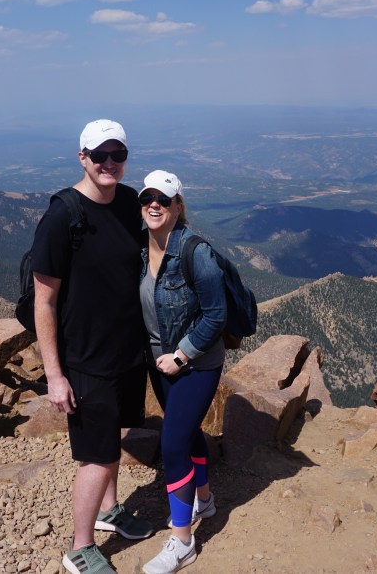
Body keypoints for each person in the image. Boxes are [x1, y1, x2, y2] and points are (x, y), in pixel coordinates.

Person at [29, 119, 152, 574]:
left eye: (117, 155)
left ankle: (109, 510)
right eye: (99, 155)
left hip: (125, 351)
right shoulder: (62, 216)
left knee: (112, 437)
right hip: (85, 358)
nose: (109, 163)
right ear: (82, 157)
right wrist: (55, 375)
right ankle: (80, 548)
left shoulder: (128, 202)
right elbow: (44, 301)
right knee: (97, 456)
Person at [138, 170, 226, 574]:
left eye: (163, 199)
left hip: (197, 363)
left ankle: (183, 541)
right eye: (147, 198)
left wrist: (182, 355)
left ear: (178, 206)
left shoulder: (195, 252)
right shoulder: (141, 248)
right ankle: (204, 500)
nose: (154, 204)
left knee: (172, 445)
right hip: (159, 362)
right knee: (187, 434)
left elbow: (216, 315)